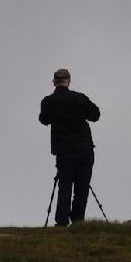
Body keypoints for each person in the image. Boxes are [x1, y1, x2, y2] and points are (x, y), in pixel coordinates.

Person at [39, 69, 100, 227]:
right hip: (84, 148)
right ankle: (78, 221)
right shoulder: (79, 98)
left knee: (65, 186)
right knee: (82, 187)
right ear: (69, 81)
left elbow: (44, 120)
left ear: (54, 82)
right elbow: (95, 115)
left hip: (64, 150)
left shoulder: (48, 101)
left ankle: (61, 222)